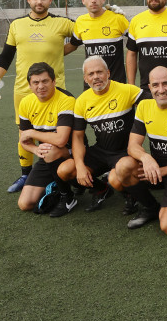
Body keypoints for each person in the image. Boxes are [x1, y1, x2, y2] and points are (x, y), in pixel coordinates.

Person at [0, 0, 75, 193]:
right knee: (24, 133)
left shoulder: (62, 23)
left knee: (57, 134)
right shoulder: (17, 25)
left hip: (55, 90)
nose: (39, 1)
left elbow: (83, 35)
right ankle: (25, 175)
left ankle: (60, 175)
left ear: (50, 0)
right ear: (29, 0)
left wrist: (59, 52)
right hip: (24, 91)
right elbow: (6, 55)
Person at [52, 56, 149, 224]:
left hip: (124, 152)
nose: (95, 77)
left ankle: (130, 195)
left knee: (115, 179)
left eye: (99, 72)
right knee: (65, 170)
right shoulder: (82, 101)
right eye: (91, 74)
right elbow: (78, 136)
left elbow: (158, 100)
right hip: (101, 150)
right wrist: (80, 165)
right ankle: (101, 190)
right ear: (85, 78)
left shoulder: (127, 90)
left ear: (108, 73)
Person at [110, 66, 167, 235]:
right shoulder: (144, 106)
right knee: (119, 171)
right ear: (149, 88)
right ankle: (150, 206)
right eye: (156, 85)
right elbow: (132, 146)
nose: (161, 90)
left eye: (165, 84)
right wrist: (146, 158)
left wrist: (163, 171)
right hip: (154, 169)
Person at [14, 62, 76, 213]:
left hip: (72, 153)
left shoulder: (66, 99)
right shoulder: (26, 103)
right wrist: (35, 150)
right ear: (29, 85)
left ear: (54, 81)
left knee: (51, 150)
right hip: (47, 154)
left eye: (45, 81)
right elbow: (24, 141)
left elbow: (61, 140)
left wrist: (33, 133)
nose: (40, 86)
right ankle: (54, 185)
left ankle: (68, 196)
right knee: (25, 204)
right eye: (35, 82)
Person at [69, 0, 130, 84]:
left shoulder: (117, 18)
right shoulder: (80, 22)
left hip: (117, 86)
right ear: (83, 0)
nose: (93, 0)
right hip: (91, 87)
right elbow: (72, 45)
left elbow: (138, 39)